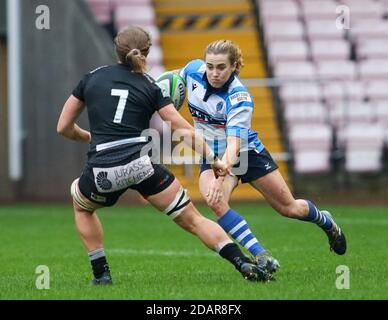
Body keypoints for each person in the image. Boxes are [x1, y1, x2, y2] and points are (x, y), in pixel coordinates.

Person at [56, 26, 270, 285]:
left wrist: (89, 137)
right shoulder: (151, 86)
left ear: (117, 50)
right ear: (146, 52)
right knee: (193, 219)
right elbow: (182, 129)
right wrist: (213, 159)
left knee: (82, 206)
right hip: (141, 165)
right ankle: (242, 262)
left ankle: (102, 275)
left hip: (103, 169)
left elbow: (63, 127)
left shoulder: (91, 78)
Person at [175, 40, 347, 274]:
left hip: (246, 153)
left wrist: (222, 169)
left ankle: (326, 222)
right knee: (215, 201)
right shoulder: (192, 70)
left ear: (234, 66)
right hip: (212, 153)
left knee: (290, 209)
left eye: (221, 67)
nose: (214, 73)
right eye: (210, 66)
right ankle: (261, 255)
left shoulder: (239, 98)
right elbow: (170, 80)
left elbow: (234, 145)